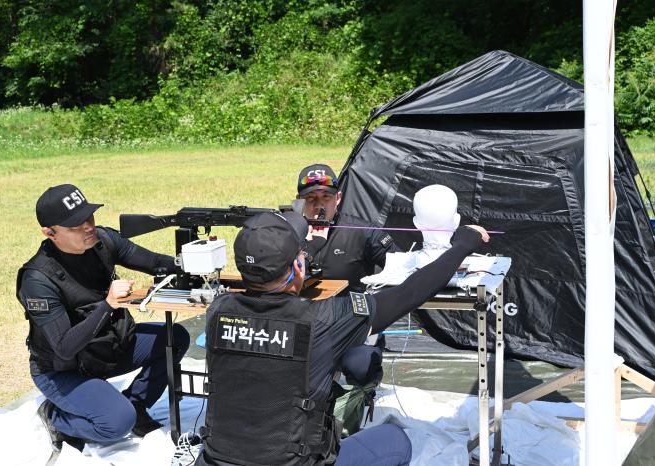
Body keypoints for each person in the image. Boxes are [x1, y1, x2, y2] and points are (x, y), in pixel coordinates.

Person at [196, 211, 489, 465]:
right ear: (298, 267)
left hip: (216, 459)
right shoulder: (324, 319)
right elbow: (410, 293)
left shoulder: (217, 311)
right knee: (396, 441)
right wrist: (463, 244)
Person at [16, 184, 190, 453]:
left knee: (175, 338)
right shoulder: (37, 279)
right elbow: (63, 347)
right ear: (49, 233)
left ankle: (136, 405)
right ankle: (57, 418)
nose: (88, 227)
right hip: (65, 369)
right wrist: (108, 304)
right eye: (75, 225)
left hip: (108, 348)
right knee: (116, 424)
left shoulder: (103, 240)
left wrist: (189, 261)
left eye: (89, 217)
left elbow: (152, 260)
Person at [296, 164, 400, 388]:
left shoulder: (362, 230)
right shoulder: (289, 233)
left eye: (326, 197)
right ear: (300, 202)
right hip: (302, 321)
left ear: (339, 198)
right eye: (311, 198)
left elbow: (398, 267)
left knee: (361, 366)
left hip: (348, 319)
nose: (318, 205)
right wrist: (311, 247)